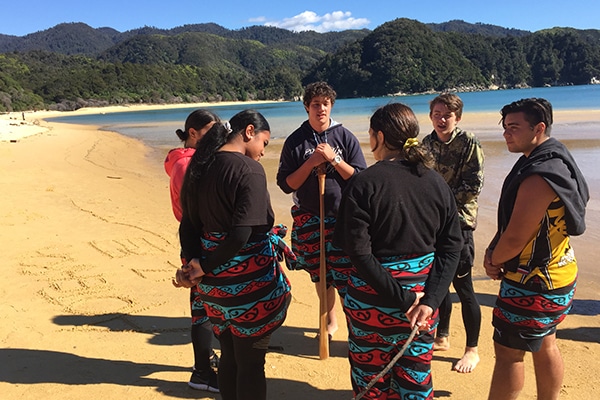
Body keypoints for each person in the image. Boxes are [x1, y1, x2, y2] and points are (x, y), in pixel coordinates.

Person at [334, 103, 463, 399]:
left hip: (374, 302)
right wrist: (429, 301)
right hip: (422, 306)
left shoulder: (363, 183)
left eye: (370, 135)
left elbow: (358, 254)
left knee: (372, 382)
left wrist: (404, 300)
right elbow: (451, 247)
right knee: (415, 379)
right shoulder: (435, 182)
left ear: (379, 136)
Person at [174, 110, 292, 400]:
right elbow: (241, 235)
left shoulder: (200, 164)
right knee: (251, 364)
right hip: (247, 285)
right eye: (264, 143)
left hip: (214, 289)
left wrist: (194, 264)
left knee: (229, 355)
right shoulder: (248, 170)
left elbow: (188, 223)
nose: (264, 152)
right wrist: (203, 266)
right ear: (249, 132)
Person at [483, 98, 589, 400]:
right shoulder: (556, 157)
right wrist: (495, 249)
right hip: (560, 271)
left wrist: (494, 260)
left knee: (508, 355)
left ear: (539, 128)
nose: (506, 134)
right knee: (546, 343)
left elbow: (516, 237)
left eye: (514, 127)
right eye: (505, 128)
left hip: (534, 282)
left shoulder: (538, 176)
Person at [276, 81, 367, 340]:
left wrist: (334, 159)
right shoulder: (295, 141)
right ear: (306, 107)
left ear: (331, 106)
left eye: (325, 104)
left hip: (343, 217)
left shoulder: (344, 136)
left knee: (347, 273)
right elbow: (286, 184)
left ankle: (354, 325)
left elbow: (360, 178)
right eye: (315, 104)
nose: (321, 109)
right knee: (320, 274)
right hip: (309, 217)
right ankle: (329, 321)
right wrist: (311, 163)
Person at [422, 93, 484, 373]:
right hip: (433, 225)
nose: (441, 119)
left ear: (457, 117)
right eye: (436, 113)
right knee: (437, 282)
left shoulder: (468, 143)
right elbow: (419, 180)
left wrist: (441, 204)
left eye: (447, 114)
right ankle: (442, 335)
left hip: (459, 224)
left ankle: (472, 349)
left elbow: (474, 184)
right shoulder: (427, 143)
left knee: (464, 287)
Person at [164, 109, 220, 392]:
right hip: (197, 242)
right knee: (203, 309)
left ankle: (206, 359)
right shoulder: (186, 166)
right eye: (211, 131)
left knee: (206, 306)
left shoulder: (190, 161)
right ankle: (202, 373)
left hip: (197, 240)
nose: (217, 137)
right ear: (193, 133)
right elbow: (195, 211)